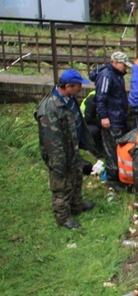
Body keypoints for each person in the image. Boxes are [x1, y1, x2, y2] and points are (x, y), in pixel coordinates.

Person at [34, 68, 96, 229]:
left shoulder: (69, 99)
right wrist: (59, 163)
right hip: (60, 154)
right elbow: (52, 142)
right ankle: (63, 217)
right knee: (61, 185)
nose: (81, 88)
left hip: (72, 149)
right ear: (68, 86)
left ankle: (77, 204)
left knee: (76, 177)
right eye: (78, 85)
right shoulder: (49, 109)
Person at [90, 51, 133, 191]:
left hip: (118, 118)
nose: (125, 68)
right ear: (115, 62)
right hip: (112, 120)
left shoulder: (117, 75)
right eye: (124, 65)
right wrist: (104, 117)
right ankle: (113, 182)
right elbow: (100, 98)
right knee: (111, 151)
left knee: (118, 150)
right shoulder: (106, 76)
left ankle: (119, 179)